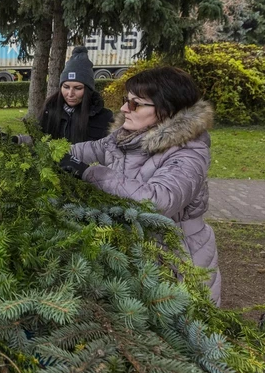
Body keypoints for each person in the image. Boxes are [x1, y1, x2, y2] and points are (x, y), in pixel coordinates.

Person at [58, 66, 221, 305]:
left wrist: (91, 174)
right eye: (126, 101)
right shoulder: (124, 138)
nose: (125, 109)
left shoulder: (189, 153)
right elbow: (82, 151)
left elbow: (159, 201)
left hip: (178, 259)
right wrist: (27, 144)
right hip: (138, 250)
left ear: (167, 110)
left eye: (136, 104)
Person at [35, 46, 115, 143]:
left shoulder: (104, 117)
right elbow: (38, 142)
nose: (70, 94)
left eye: (78, 88)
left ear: (88, 90)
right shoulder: (49, 110)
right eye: (66, 87)